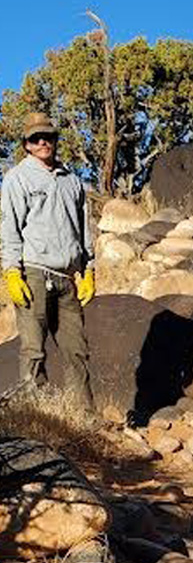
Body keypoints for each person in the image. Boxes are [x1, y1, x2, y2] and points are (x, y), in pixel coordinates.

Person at [1, 111, 95, 408]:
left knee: (76, 351)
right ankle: (35, 419)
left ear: (55, 140)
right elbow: (9, 229)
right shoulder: (17, 179)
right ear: (27, 144)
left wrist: (89, 269)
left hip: (68, 278)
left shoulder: (73, 182)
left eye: (48, 136)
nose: (43, 142)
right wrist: (12, 273)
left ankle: (84, 419)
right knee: (33, 350)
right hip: (34, 274)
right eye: (35, 138)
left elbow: (84, 230)